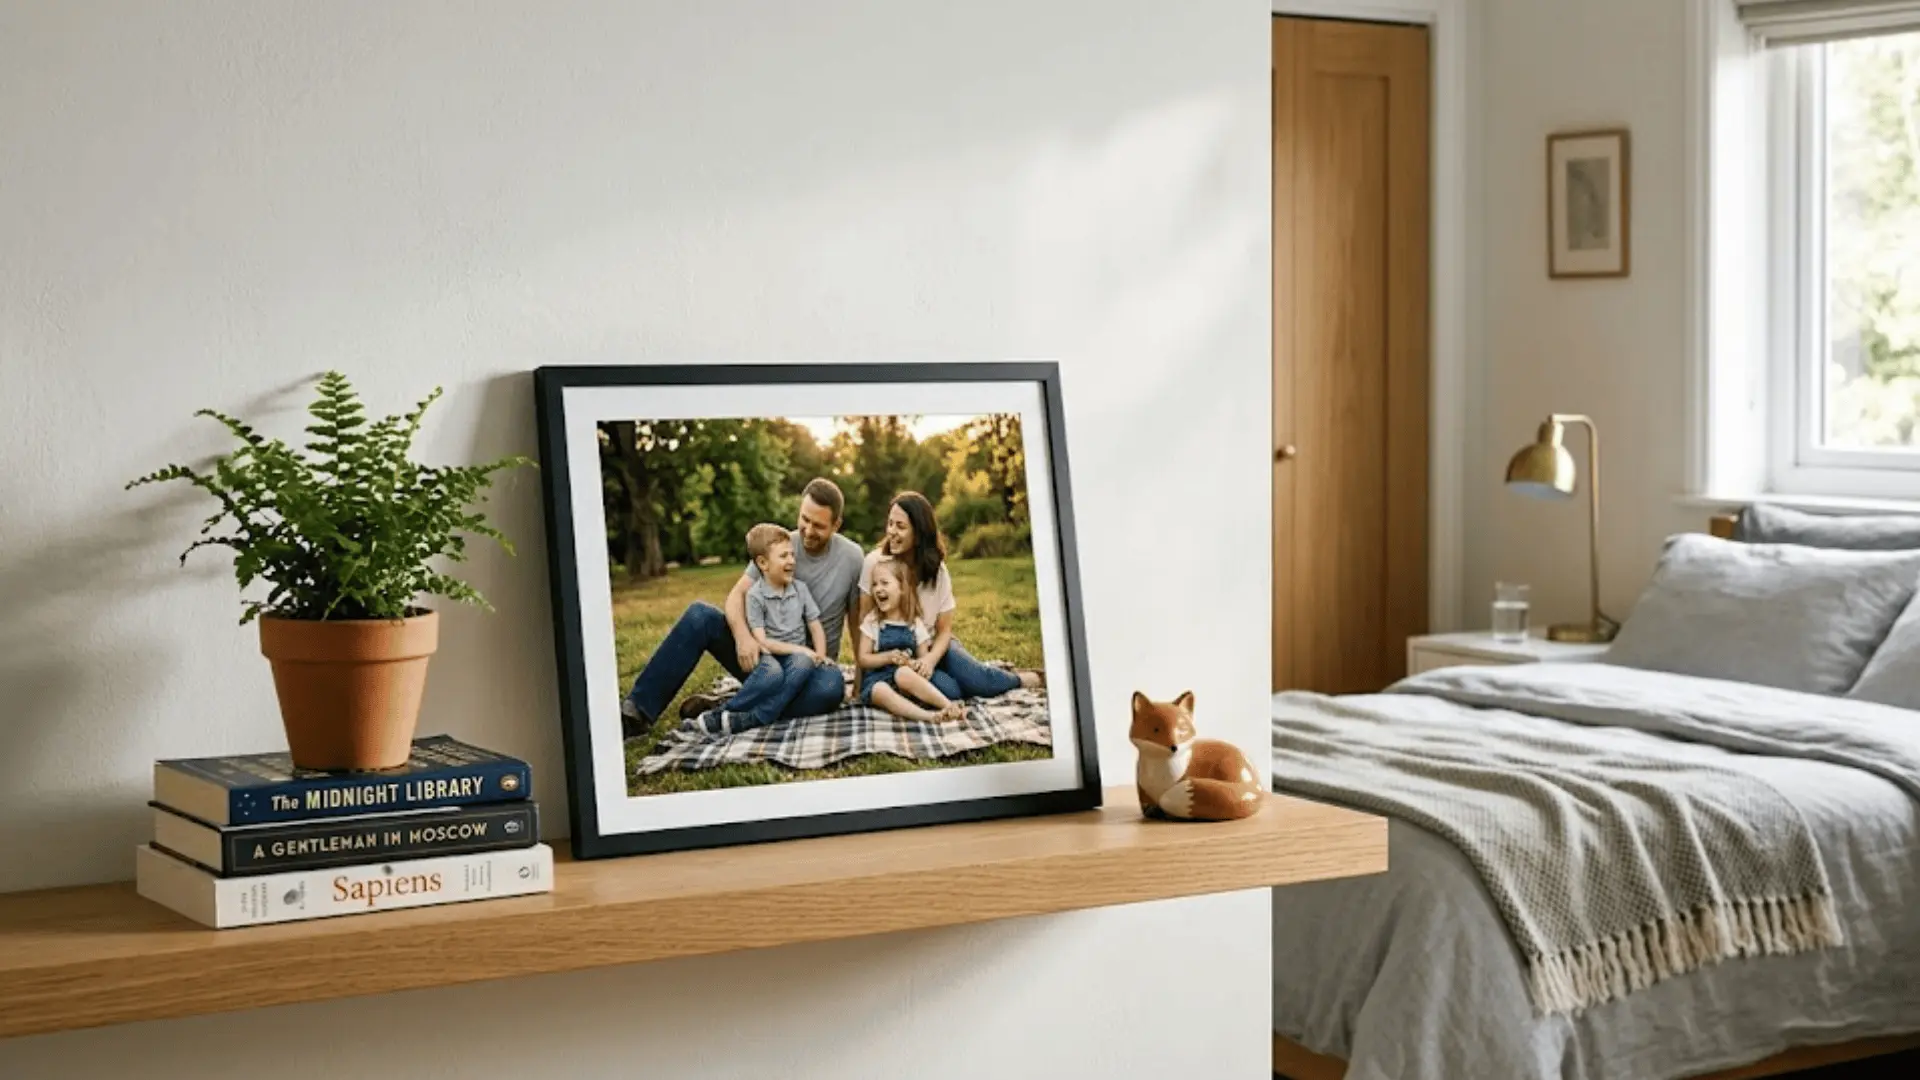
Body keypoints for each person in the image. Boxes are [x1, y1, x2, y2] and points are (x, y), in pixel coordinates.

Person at [621, 477, 864, 737]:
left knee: (831, 688)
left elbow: (857, 624)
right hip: (764, 661)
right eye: (804, 519)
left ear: (836, 525)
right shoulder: (778, 545)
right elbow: (737, 596)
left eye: (819, 525)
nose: (807, 530)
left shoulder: (852, 558)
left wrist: (860, 685)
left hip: (810, 675)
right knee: (699, 615)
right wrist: (743, 637)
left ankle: (728, 709)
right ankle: (638, 711)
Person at [856, 491, 1043, 703]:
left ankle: (1026, 678)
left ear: (919, 533)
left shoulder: (938, 571)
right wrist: (859, 683)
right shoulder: (875, 563)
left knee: (979, 682)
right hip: (901, 660)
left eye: (900, 526)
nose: (891, 532)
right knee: (952, 692)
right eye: (890, 524)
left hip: (935, 646)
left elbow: (944, 631)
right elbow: (864, 623)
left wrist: (929, 660)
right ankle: (962, 678)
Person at [682, 524, 829, 737]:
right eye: (783, 556)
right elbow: (763, 641)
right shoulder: (754, 596)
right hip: (767, 655)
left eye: (792, 555)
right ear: (762, 563)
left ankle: (756, 717)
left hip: (794, 659)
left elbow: (815, 625)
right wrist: (803, 650)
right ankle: (726, 713)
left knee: (804, 663)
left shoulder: (801, 589)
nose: (791, 561)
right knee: (772, 673)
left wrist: (821, 655)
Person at [855, 556, 965, 724]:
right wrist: (888, 657)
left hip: (904, 681)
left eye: (884, 583)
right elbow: (863, 659)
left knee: (903, 674)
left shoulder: (914, 623)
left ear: (902, 588)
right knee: (879, 690)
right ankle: (928, 716)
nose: (878, 589)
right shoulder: (873, 622)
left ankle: (949, 706)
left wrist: (913, 664)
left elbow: (923, 659)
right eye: (875, 584)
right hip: (877, 680)